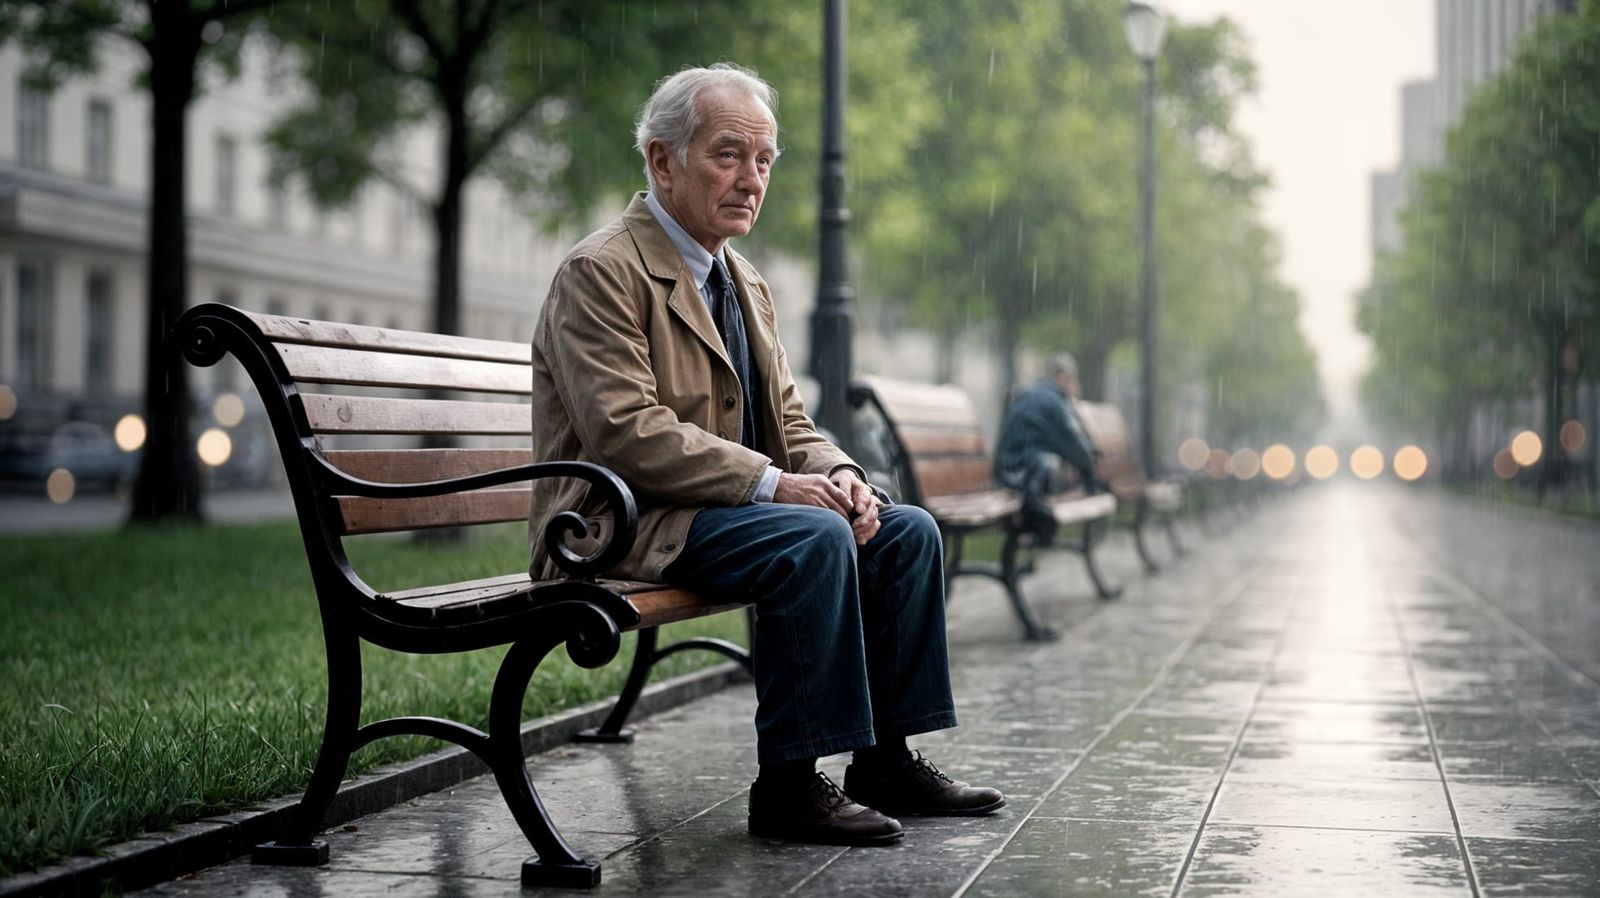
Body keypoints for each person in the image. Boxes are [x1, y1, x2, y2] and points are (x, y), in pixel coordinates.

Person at [527, 63, 1003, 847]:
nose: (751, 179)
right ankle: (787, 786)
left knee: (902, 529)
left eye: (764, 161)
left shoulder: (743, 278)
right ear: (662, 160)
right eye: (727, 155)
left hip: (714, 514)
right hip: (623, 522)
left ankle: (885, 761)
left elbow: (788, 419)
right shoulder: (601, 270)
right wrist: (773, 485)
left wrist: (839, 474)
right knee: (811, 538)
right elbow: (626, 431)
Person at [993, 353, 1103, 542]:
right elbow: (1078, 451)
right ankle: (1039, 525)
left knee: (1047, 461)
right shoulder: (1054, 401)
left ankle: (1036, 528)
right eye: (1073, 381)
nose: (1074, 387)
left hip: (1007, 472)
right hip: (1027, 479)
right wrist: (1093, 459)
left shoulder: (1027, 394)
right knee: (1048, 463)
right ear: (1062, 378)